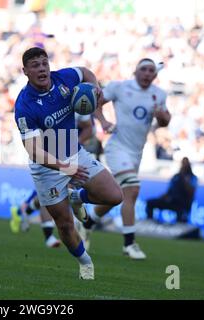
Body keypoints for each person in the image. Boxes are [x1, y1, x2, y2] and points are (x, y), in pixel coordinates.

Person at [14, 47, 122, 280]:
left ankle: (77, 197)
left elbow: (85, 72)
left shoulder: (64, 78)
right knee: (64, 225)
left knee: (115, 196)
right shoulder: (25, 105)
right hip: (47, 169)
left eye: (44, 63)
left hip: (75, 153)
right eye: (35, 65)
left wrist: (96, 88)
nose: (42, 68)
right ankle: (86, 263)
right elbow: (34, 151)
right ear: (25, 71)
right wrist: (64, 168)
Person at [81, 58, 171, 260]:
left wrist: (161, 115)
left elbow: (165, 121)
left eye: (151, 70)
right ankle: (129, 244)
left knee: (118, 195)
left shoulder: (159, 94)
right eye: (144, 69)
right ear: (136, 71)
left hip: (137, 152)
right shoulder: (120, 88)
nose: (148, 73)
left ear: (155, 74)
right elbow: (96, 103)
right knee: (132, 189)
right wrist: (103, 121)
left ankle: (87, 222)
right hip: (117, 147)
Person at [9, 113, 95, 249]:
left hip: (70, 154)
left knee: (52, 193)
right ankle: (48, 236)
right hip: (50, 155)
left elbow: (90, 129)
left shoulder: (81, 103)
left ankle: (21, 211)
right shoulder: (56, 101)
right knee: (51, 193)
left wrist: (74, 144)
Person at [146, 157, 198, 223]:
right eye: (183, 163)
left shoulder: (192, 178)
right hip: (171, 200)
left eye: (186, 164)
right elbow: (169, 190)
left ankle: (180, 225)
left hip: (183, 203)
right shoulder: (176, 176)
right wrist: (163, 197)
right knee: (150, 203)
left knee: (181, 211)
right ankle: (149, 223)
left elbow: (191, 193)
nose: (184, 166)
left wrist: (186, 181)